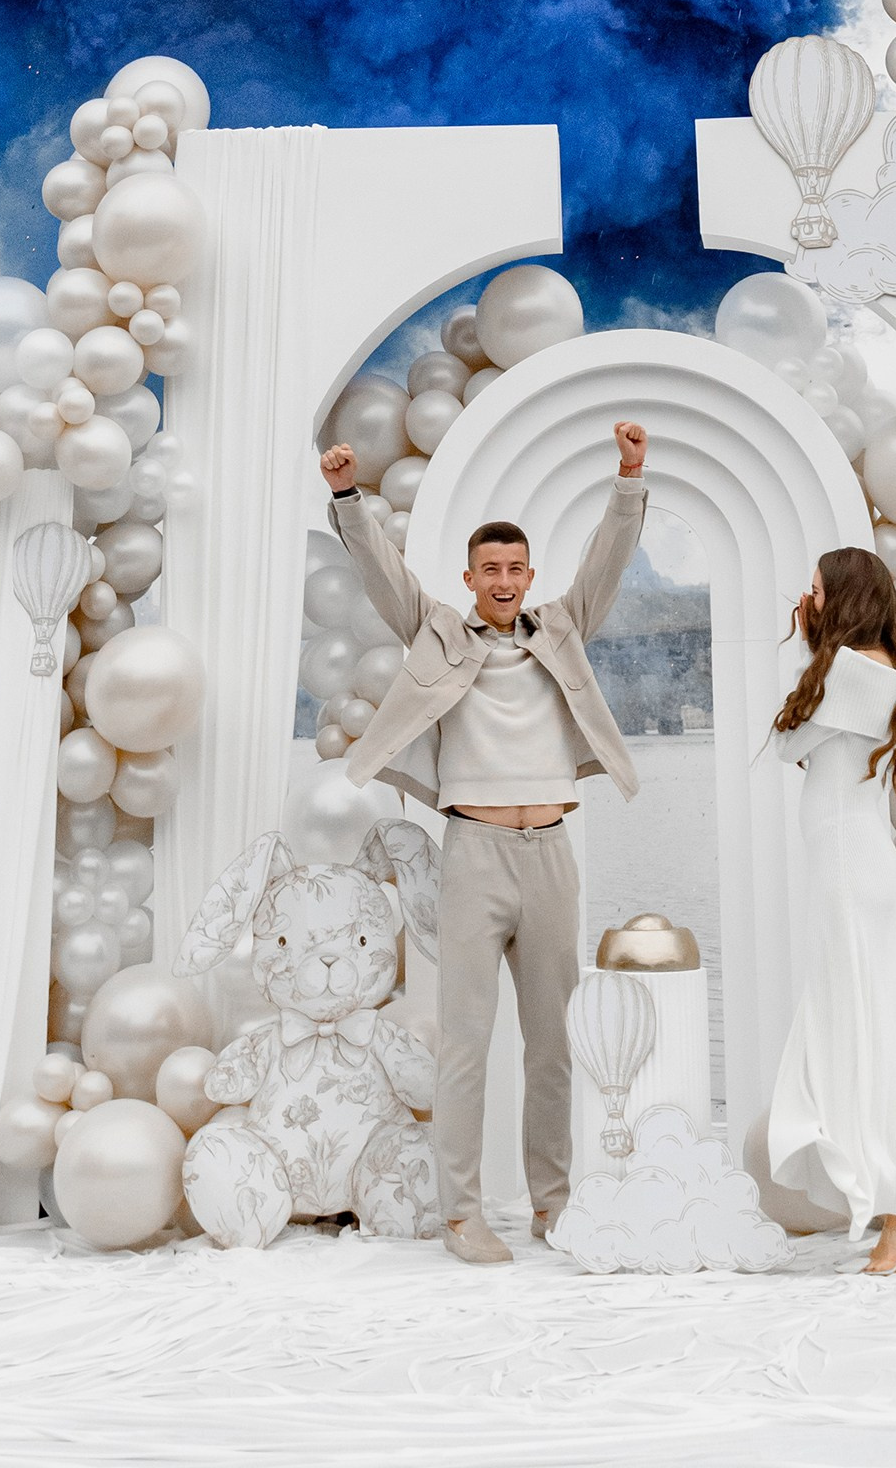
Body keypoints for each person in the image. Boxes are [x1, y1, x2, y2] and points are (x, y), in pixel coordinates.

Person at [319, 416, 649, 1265]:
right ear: (469, 578)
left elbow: (606, 565)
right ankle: (461, 1214)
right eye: (488, 570)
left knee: (553, 1048)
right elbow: (383, 574)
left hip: (551, 855)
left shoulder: (560, 627)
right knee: (465, 1046)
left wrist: (627, 479)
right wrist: (349, 497)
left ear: (529, 576)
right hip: (473, 855)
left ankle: (553, 1204)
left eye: (515, 569)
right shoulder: (437, 630)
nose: (503, 581)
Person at [765, 545, 896, 1274]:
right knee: (855, 1027)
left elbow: (786, 743)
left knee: (858, 1031)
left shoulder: (850, 672)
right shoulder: (875, 672)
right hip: (852, 862)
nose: (803, 602)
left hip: (847, 866)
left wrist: (808, 640)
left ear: (841, 596)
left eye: (811, 591)